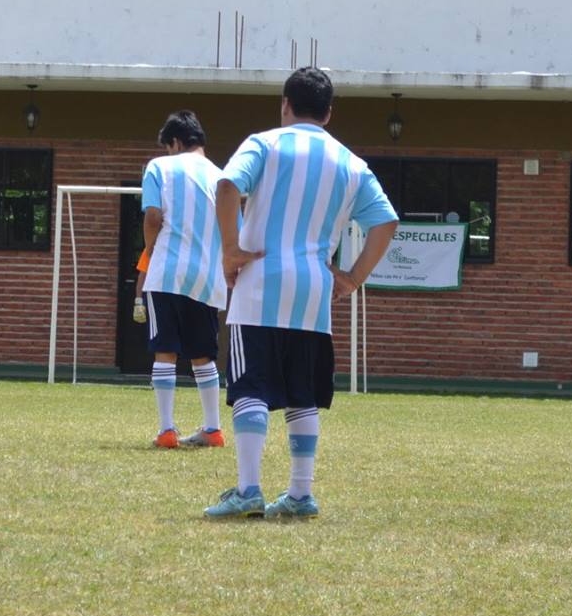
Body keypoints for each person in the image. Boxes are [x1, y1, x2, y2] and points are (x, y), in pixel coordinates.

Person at [208, 67, 398, 520]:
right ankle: (299, 494)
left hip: (260, 280)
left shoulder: (265, 143)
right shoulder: (352, 163)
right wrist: (352, 278)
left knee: (250, 385)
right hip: (314, 290)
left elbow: (227, 185)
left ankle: (248, 489)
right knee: (302, 394)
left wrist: (231, 249)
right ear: (329, 113)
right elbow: (386, 222)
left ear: (285, 105)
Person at [140, 110, 227, 449]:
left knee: (165, 349)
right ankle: (213, 428)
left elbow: (152, 215)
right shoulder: (222, 177)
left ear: (174, 142)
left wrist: (150, 249)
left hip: (168, 272)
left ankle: (166, 430)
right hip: (208, 275)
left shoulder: (159, 167)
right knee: (203, 353)